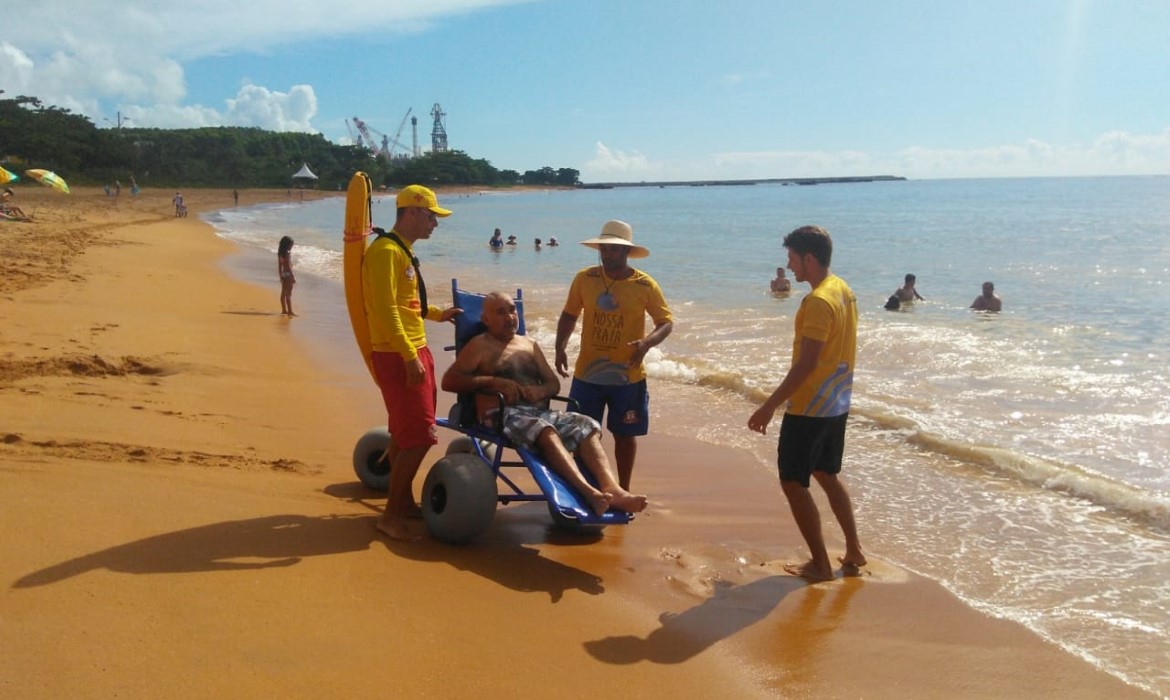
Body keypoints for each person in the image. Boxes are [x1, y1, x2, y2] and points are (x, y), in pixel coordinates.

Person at [441, 292, 648, 515]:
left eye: (512, 310)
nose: (509, 317)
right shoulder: (480, 345)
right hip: (498, 413)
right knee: (544, 430)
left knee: (586, 425)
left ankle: (612, 489)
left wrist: (540, 390)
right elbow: (450, 381)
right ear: (485, 320)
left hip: (535, 413)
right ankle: (588, 491)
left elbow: (553, 384)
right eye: (500, 312)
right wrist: (493, 381)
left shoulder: (529, 345)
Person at [747, 225, 865, 582]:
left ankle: (819, 564)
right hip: (836, 404)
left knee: (793, 482)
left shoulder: (817, 301)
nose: (790, 265)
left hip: (810, 408)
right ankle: (854, 550)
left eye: (793, 259)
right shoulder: (842, 289)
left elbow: (807, 364)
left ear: (809, 258)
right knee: (827, 474)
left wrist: (769, 406)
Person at [363, 185, 463, 541]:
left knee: (410, 432)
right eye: (431, 215)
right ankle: (390, 517)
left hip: (411, 348)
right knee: (419, 437)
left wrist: (438, 314)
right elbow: (385, 307)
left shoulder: (401, 250)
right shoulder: (386, 252)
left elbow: (407, 304)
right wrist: (408, 355)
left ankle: (402, 502)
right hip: (398, 354)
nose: (435, 223)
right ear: (411, 212)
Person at [554, 220, 673, 490]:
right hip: (588, 375)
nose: (607, 254)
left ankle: (624, 488)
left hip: (627, 377)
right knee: (580, 433)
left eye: (613, 250)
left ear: (626, 253)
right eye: (604, 249)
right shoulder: (585, 278)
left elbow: (665, 322)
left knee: (624, 435)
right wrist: (560, 346)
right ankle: (582, 487)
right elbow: (570, 314)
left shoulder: (645, 285)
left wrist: (646, 344)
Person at [277, 236, 296, 316]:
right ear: (288, 245)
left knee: (283, 293)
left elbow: (279, 266)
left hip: (283, 274)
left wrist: (280, 275)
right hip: (288, 274)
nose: (292, 247)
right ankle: (290, 311)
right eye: (292, 245)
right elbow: (288, 265)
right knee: (289, 294)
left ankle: (284, 310)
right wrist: (293, 276)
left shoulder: (280, 253)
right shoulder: (287, 253)